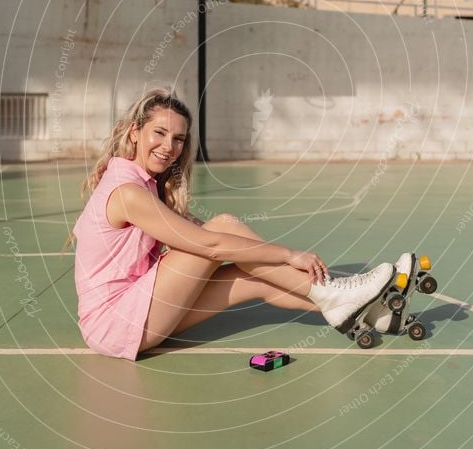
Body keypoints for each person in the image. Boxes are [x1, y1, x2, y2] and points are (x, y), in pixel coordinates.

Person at [70, 88, 397, 360]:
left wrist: (266, 258)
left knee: (258, 278)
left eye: (179, 139)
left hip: (136, 311)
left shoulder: (145, 183)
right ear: (134, 132)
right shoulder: (128, 191)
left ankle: (372, 312)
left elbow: (203, 235)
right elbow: (210, 244)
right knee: (223, 226)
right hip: (115, 321)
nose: (169, 146)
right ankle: (340, 292)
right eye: (159, 133)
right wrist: (288, 254)